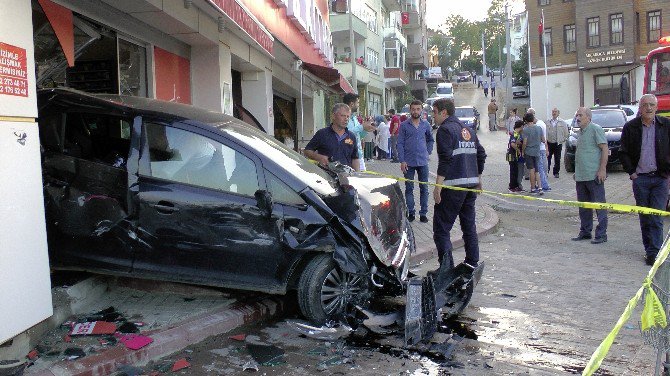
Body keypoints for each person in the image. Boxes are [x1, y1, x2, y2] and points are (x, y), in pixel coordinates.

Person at [432, 98, 487, 271]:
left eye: (434, 112)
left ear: (443, 112)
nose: (433, 116)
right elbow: (481, 154)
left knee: (441, 228)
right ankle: (472, 262)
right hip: (470, 186)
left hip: (453, 186)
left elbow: (446, 159)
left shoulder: (444, 130)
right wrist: (477, 178)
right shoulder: (468, 130)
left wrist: (438, 186)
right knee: (468, 225)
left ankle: (446, 269)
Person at [619, 94, 670, 265]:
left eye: (652, 105)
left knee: (656, 216)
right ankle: (650, 249)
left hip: (660, 179)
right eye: (645, 105)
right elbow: (623, 151)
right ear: (640, 108)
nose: (649, 108)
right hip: (640, 179)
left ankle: (655, 253)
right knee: (645, 217)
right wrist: (631, 173)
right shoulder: (630, 127)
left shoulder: (666, 125)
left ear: (657, 107)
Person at [571, 107, 608, 244]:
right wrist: (577, 171)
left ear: (589, 117)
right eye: (577, 115)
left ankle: (601, 234)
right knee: (584, 207)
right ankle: (585, 232)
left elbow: (604, 148)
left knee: (599, 206)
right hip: (581, 177)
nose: (578, 118)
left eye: (580, 115)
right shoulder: (580, 132)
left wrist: (602, 169)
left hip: (594, 176)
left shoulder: (595, 129)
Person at [397, 100, 435, 223]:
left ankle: (423, 213)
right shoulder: (403, 125)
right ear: (410, 110)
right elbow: (400, 143)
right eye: (413, 109)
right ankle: (411, 212)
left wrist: (427, 152)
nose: (415, 111)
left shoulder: (426, 125)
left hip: (423, 162)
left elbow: (430, 140)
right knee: (409, 189)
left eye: (418, 109)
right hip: (408, 162)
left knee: (424, 188)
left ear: (421, 110)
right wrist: (402, 160)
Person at [304, 103, 359, 170]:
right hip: (326, 175)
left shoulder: (351, 137)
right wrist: (317, 157)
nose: (346, 119)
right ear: (333, 116)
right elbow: (307, 151)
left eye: (348, 116)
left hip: (345, 177)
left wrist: (357, 175)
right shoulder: (322, 134)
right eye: (343, 116)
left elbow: (355, 158)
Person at [343, 93, 375, 171]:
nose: (358, 105)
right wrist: (362, 127)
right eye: (357, 103)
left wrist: (366, 129)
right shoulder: (344, 118)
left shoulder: (354, 118)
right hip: (349, 155)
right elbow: (345, 136)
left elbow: (358, 136)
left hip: (358, 154)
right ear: (351, 104)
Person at [527, 108, 551, 191]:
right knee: (542, 167)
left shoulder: (537, 125)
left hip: (538, 149)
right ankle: (543, 184)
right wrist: (546, 148)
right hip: (542, 148)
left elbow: (541, 138)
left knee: (539, 168)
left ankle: (544, 185)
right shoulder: (541, 123)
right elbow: (545, 138)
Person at [521, 112, 545, 195]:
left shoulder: (525, 130)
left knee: (531, 170)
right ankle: (540, 187)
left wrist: (523, 151)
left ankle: (533, 188)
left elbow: (524, 142)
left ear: (526, 121)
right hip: (537, 151)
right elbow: (543, 140)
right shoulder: (539, 128)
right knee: (537, 170)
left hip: (529, 152)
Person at [546, 107, 570, 178]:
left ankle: (556, 172)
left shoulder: (562, 122)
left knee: (557, 158)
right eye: (553, 111)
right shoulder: (548, 121)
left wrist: (563, 140)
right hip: (549, 142)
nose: (554, 113)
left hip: (558, 143)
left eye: (555, 112)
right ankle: (546, 171)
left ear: (558, 113)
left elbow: (566, 133)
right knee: (548, 158)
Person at [507, 120, 524, 192]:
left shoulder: (517, 134)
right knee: (513, 171)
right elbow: (512, 144)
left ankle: (516, 185)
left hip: (515, 156)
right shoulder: (514, 134)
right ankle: (512, 186)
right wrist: (518, 150)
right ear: (521, 126)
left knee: (516, 171)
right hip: (512, 155)